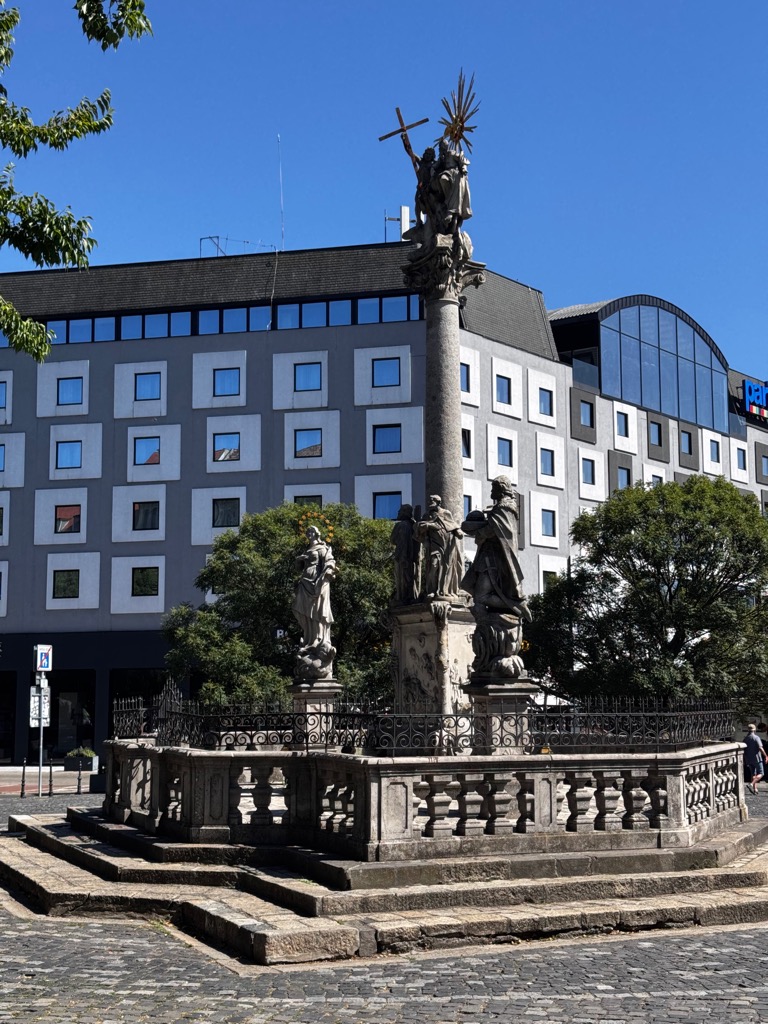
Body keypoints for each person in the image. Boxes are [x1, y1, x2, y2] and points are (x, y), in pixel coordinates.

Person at [461, 475, 530, 620]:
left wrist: (477, 531)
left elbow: (493, 529)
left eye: (494, 488)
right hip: (489, 557)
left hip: (493, 560)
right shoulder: (503, 507)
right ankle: (512, 606)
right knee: (480, 595)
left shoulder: (504, 507)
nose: (491, 491)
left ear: (502, 489)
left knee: (480, 597)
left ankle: (516, 605)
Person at [292, 526, 335, 650]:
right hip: (305, 581)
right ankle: (308, 638)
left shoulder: (322, 548)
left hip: (317, 582)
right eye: (307, 532)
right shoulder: (307, 550)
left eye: (311, 531)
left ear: (317, 533)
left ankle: (318, 638)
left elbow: (329, 561)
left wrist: (327, 573)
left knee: (316, 609)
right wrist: (299, 560)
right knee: (304, 608)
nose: (308, 533)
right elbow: (298, 568)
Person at [415, 495, 463, 599]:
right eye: (429, 500)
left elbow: (452, 524)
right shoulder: (427, 515)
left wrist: (458, 531)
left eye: (432, 501)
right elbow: (419, 528)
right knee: (433, 566)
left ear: (438, 502)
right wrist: (424, 527)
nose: (430, 502)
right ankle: (431, 590)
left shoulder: (445, 513)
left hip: (446, 545)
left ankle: (442, 590)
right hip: (434, 545)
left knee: (445, 567)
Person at [743, 723, 767, 794]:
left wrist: (744, 760)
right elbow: (760, 748)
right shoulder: (756, 738)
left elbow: (744, 750)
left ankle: (755, 789)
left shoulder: (745, 739)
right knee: (761, 773)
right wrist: (766, 756)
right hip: (757, 758)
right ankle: (751, 784)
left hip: (748, 759)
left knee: (753, 773)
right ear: (754, 730)